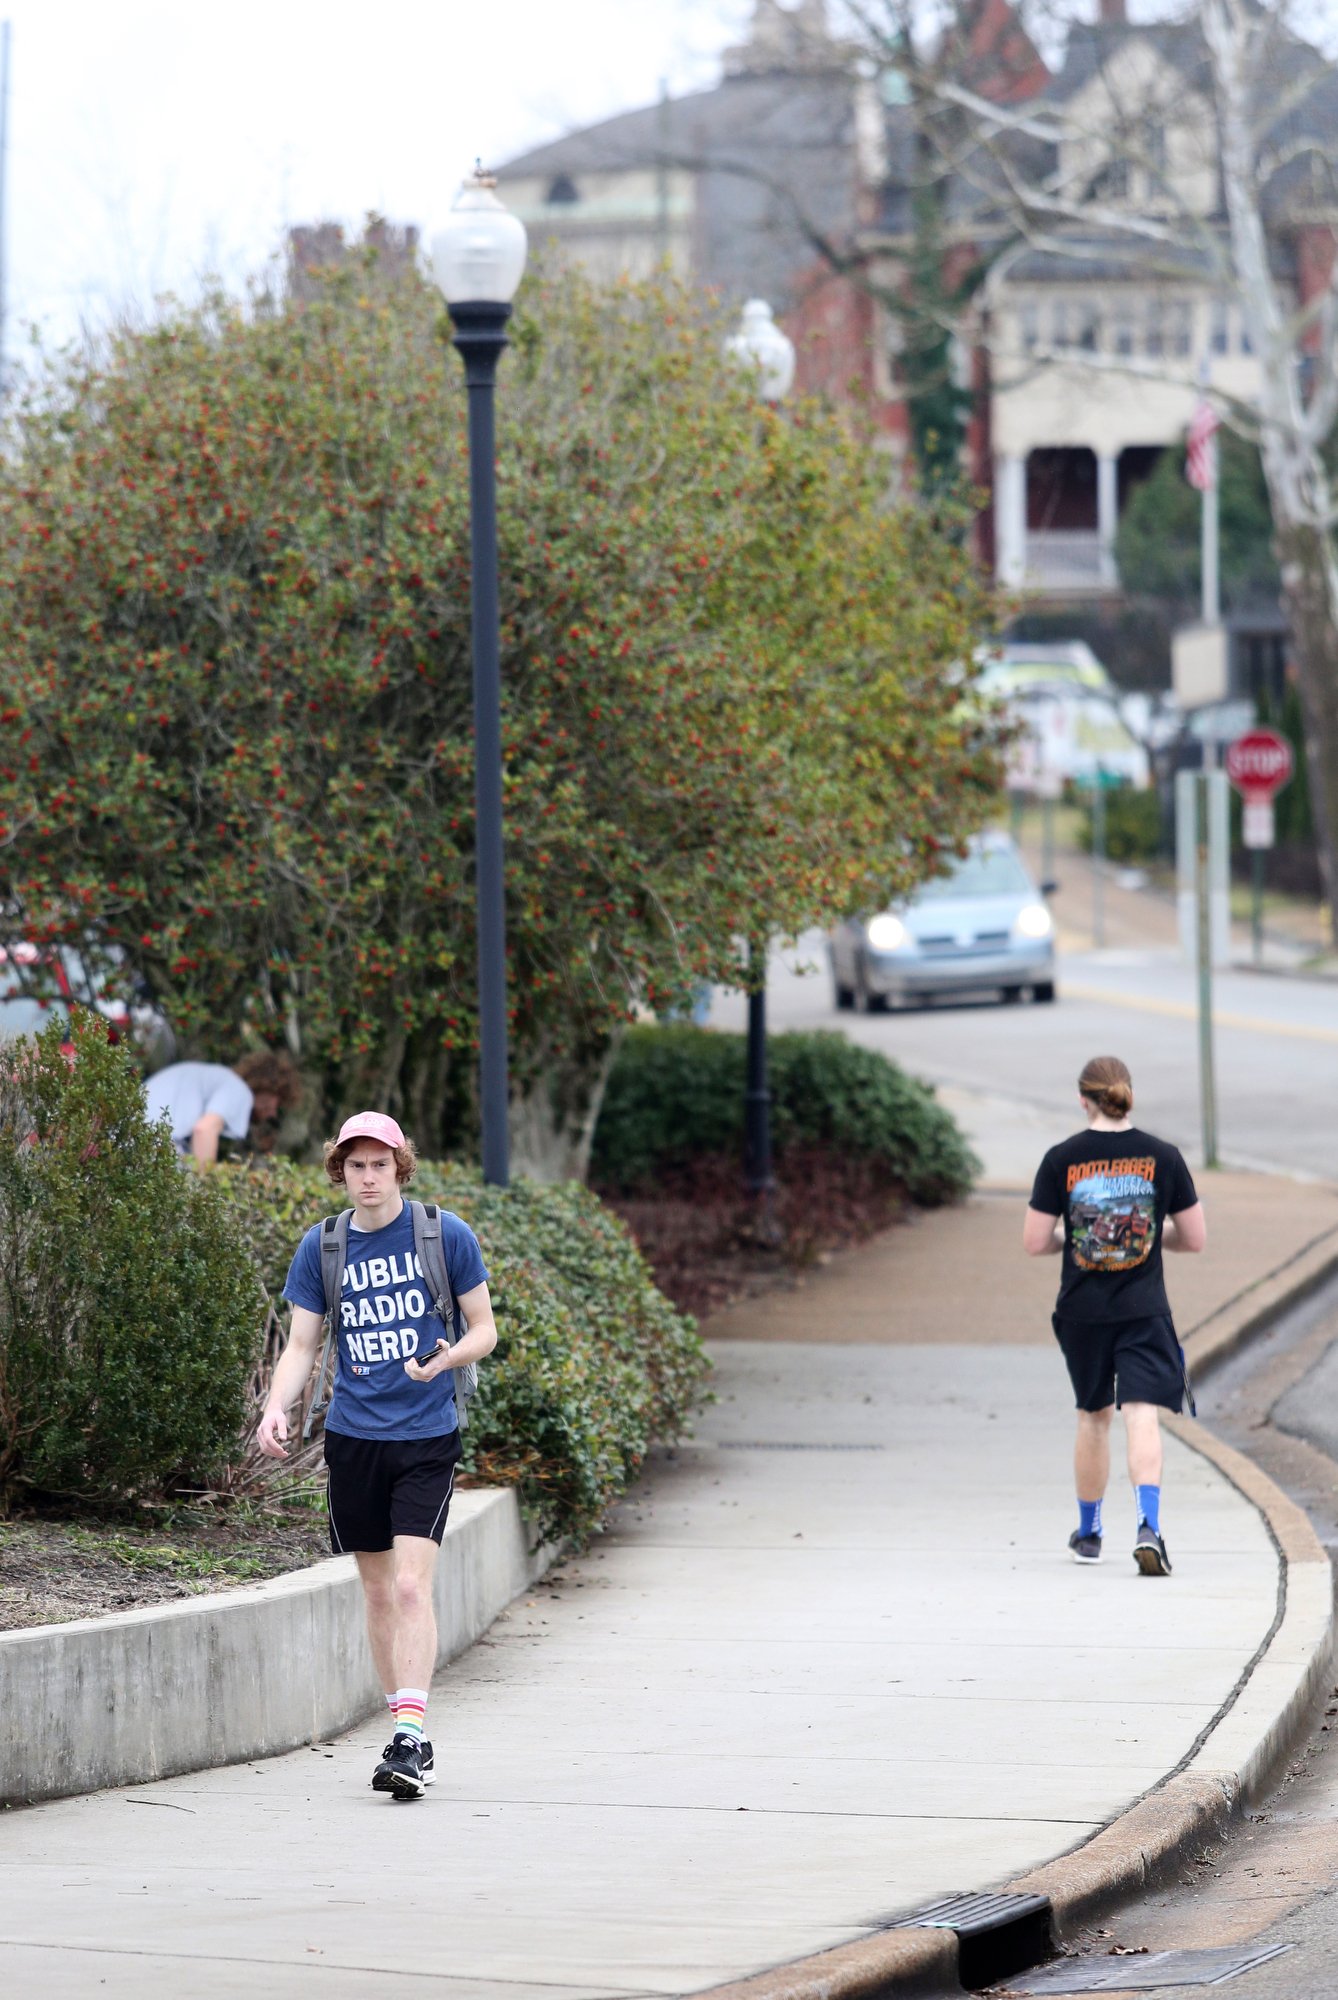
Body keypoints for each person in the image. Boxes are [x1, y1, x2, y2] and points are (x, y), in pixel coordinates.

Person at [257, 1111, 497, 1801]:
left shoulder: (443, 1235)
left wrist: (447, 1355)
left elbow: (483, 1328)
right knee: (375, 1589)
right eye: (355, 1166)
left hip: (426, 1434)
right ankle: (402, 1731)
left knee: (412, 1586)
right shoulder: (324, 1246)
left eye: (379, 1165)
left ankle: (412, 1739)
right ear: (341, 1169)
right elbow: (302, 1346)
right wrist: (276, 1407)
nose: (367, 1177)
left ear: (400, 1166)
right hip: (355, 1437)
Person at [1023, 1056, 1206, 1577]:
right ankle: (1148, 1527)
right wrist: (1148, 1241)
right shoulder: (1163, 1157)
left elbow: (1035, 1242)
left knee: (1093, 1415)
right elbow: (1194, 1239)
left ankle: (1089, 1533)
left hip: (1081, 1310)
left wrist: (1076, 1235)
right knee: (1141, 1412)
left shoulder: (1061, 1159)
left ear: (1083, 1099)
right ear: (1127, 1094)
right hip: (1143, 1309)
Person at [144, 1050, 299, 1168]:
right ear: (269, 1088)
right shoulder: (239, 1090)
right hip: (153, 1148)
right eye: (276, 1105)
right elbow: (204, 1130)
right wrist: (204, 1192)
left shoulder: (215, 1077)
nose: (272, 1113)